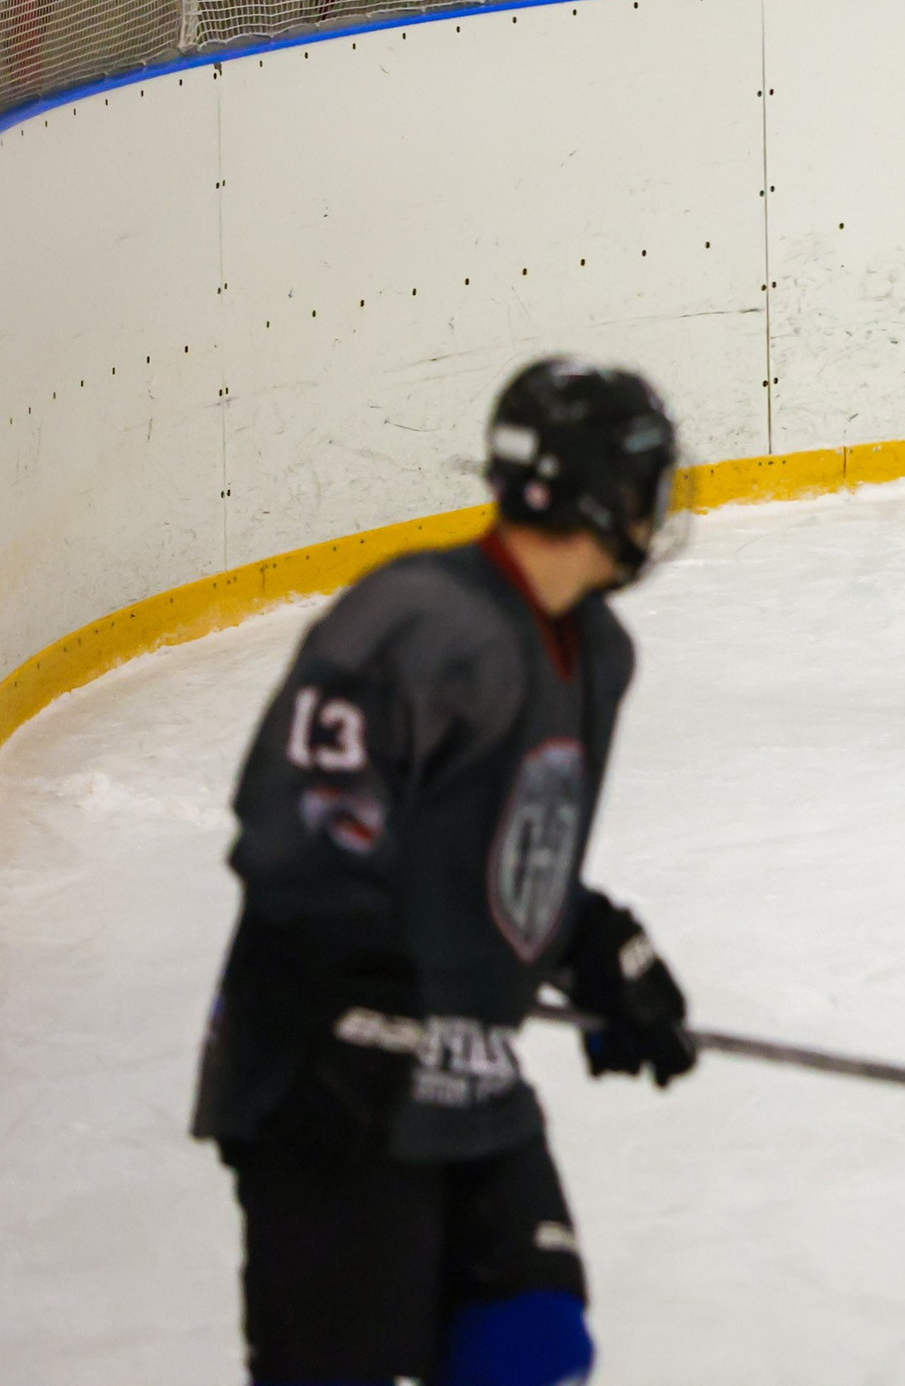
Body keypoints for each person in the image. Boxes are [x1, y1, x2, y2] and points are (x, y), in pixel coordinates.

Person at [191, 357, 698, 1386]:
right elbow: (289, 835)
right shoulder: (416, 619)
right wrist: (413, 973)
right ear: (600, 491)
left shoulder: (598, 651)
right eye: (647, 479)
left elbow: (499, 860)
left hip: (462, 1069)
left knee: (533, 1343)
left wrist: (591, 947)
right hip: (325, 1081)